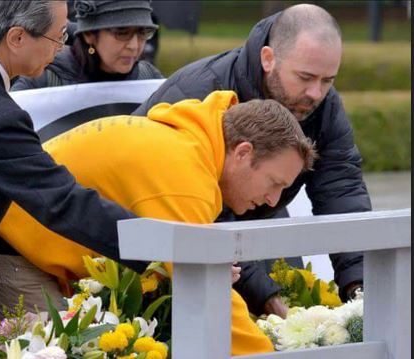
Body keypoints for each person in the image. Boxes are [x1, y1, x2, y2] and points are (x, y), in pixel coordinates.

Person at [0, 91, 317, 355]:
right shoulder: (185, 175)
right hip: (13, 254)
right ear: (244, 152)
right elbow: (207, 288)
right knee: (56, 349)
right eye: (274, 182)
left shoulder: (189, 145)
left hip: (23, 248)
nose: (274, 201)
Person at [132, 3, 370, 318]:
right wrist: (264, 296)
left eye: (328, 80)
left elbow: (341, 189)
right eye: (305, 77)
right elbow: (191, 211)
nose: (316, 93)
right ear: (268, 58)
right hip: (166, 221)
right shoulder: (196, 93)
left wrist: (361, 288)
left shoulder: (321, 102)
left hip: (256, 216)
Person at [0, 0, 147, 319]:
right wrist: (165, 248)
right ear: (17, 38)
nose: (61, 48)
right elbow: (63, 203)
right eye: (58, 36)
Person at [11, 0, 162, 90]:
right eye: (122, 33)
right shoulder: (45, 79)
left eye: (143, 33)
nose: (134, 46)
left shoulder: (149, 78)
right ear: (89, 35)